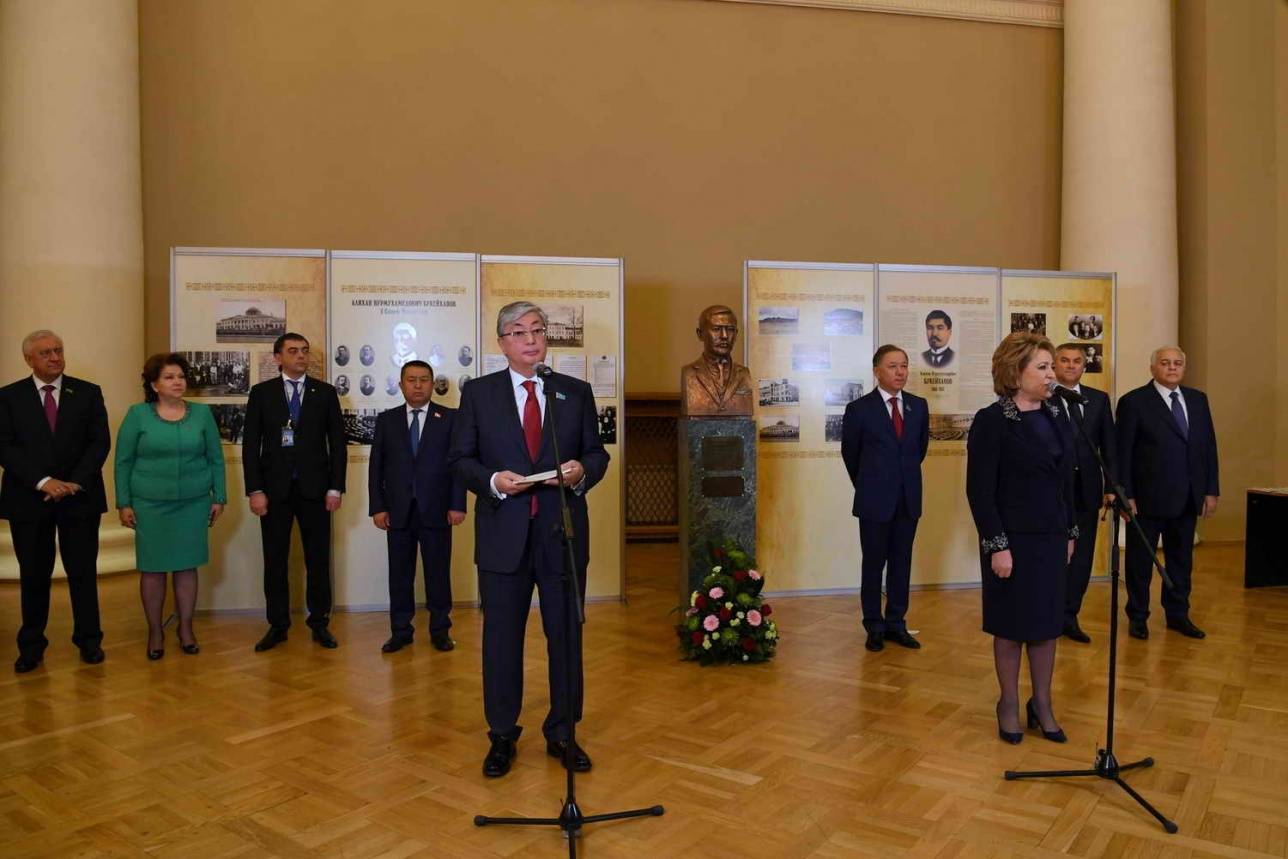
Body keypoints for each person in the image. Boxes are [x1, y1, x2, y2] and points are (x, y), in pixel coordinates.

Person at [449, 301, 609, 778]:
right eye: (519, 332)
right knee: (501, 641)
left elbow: (596, 454)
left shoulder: (573, 392)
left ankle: (562, 732)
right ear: (502, 342)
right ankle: (501, 734)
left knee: (565, 637)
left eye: (538, 330)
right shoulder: (478, 394)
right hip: (503, 535)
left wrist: (582, 472)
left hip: (560, 535)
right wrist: (495, 480)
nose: (531, 339)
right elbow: (460, 460)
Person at [966, 332, 1077, 745]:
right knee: (1011, 627)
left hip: (1050, 538)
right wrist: (998, 546)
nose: (1053, 375)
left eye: (1052, 367)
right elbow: (980, 491)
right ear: (1015, 372)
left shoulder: (1057, 416)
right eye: (1044, 367)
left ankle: (1042, 703)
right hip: (1010, 542)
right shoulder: (992, 420)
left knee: (1046, 626)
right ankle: (1009, 703)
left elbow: (1065, 480)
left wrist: (1069, 532)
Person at [0, 330, 109, 673]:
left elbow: (99, 443)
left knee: (82, 572)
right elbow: (5, 447)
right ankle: (31, 645)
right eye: (45, 353)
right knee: (33, 573)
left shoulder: (88, 393)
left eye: (58, 350)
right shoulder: (8, 397)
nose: (55, 357)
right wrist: (45, 482)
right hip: (29, 499)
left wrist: (73, 482)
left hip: (79, 497)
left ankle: (89, 641)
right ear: (29, 359)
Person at [114, 354, 226, 659]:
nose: (177, 382)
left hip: (193, 503)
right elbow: (123, 462)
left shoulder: (202, 415)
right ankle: (155, 631)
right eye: (169, 377)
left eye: (180, 376)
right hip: (149, 504)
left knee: (186, 567)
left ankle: (185, 628)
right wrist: (123, 503)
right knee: (152, 570)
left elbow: (216, 458)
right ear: (154, 384)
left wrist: (220, 497)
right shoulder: (137, 415)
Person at [242, 332, 346, 651]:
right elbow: (250, 446)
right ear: (277, 358)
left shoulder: (325, 393)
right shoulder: (262, 393)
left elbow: (338, 445)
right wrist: (255, 489)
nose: (301, 356)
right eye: (293, 351)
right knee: (275, 560)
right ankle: (278, 625)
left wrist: (335, 487)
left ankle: (319, 623)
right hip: (274, 492)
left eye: (304, 351)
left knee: (318, 560)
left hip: (316, 490)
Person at [1116, 346, 1218, 641]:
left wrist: (1211, 489)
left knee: (1181, 560)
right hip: (1145, 500)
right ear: (1153, 368)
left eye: (1177, 363)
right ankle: (1138, 616)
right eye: (1165, 363)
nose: (1172, 367)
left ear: (1184, 367)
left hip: (1188, 496)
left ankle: (1178, 614)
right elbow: (1123, 454)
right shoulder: (1134, 402)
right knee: (1139, 563)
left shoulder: (1198, 400)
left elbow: (1208, 448)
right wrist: (1126, 494)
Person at [369, 361, 466, 654]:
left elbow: (458, 466)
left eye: (424, 379)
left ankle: (440, 630)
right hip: (397, 512)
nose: (418, 385)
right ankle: (401, 631)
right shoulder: (387, 421)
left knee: (438, 574)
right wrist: (378, 507)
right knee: (399, 575)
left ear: (432, 383)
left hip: (437, 510)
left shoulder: (450, 418)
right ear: (401, 385)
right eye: (411, 380)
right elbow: (376, 469)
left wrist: (457, 504)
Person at [840, 345, 929, 652]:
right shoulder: (859, 409)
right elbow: (851, 455)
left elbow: (919, 451)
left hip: (908, 500)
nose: (900, 372)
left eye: (904, 366)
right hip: (874, 500)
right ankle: (874, 625)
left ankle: (896, 623)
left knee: (902, 564)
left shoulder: (919, 406)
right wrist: (869, 485)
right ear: (876, 370)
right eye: (893, 366)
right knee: (874, 564)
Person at [1053, 344, 1116, 644]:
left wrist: (1113, 487)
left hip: (1087, 492)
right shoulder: (1043, 398)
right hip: (1053, 493)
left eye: (1077, 361)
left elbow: (1109, 448)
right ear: (1054, 365)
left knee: (1081, 557)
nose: (1070, 366)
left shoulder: (1098, 400)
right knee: (1054, 555)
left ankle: (1069, 616)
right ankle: (1048, 614)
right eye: (1064, 360)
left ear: (1084, 366)